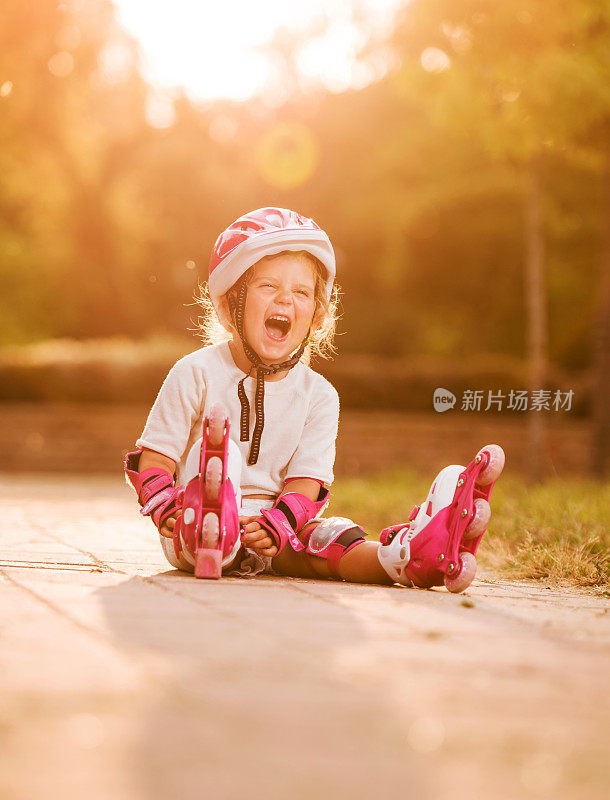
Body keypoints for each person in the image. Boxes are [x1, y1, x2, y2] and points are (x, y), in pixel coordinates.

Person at [125, 207, 503, 591]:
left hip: (275, 529)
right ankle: (213, 512)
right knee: (219, 460)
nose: (285, 300)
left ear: (317, 316)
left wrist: (279, 524)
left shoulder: (319, 396)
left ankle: (410, 557)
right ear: (228, 306)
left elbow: (307, 481)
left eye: (301, 292)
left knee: (329, 542)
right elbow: (154, 459)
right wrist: (165, 507)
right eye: (268, 286)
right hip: (193, 524)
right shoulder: (196, 372)